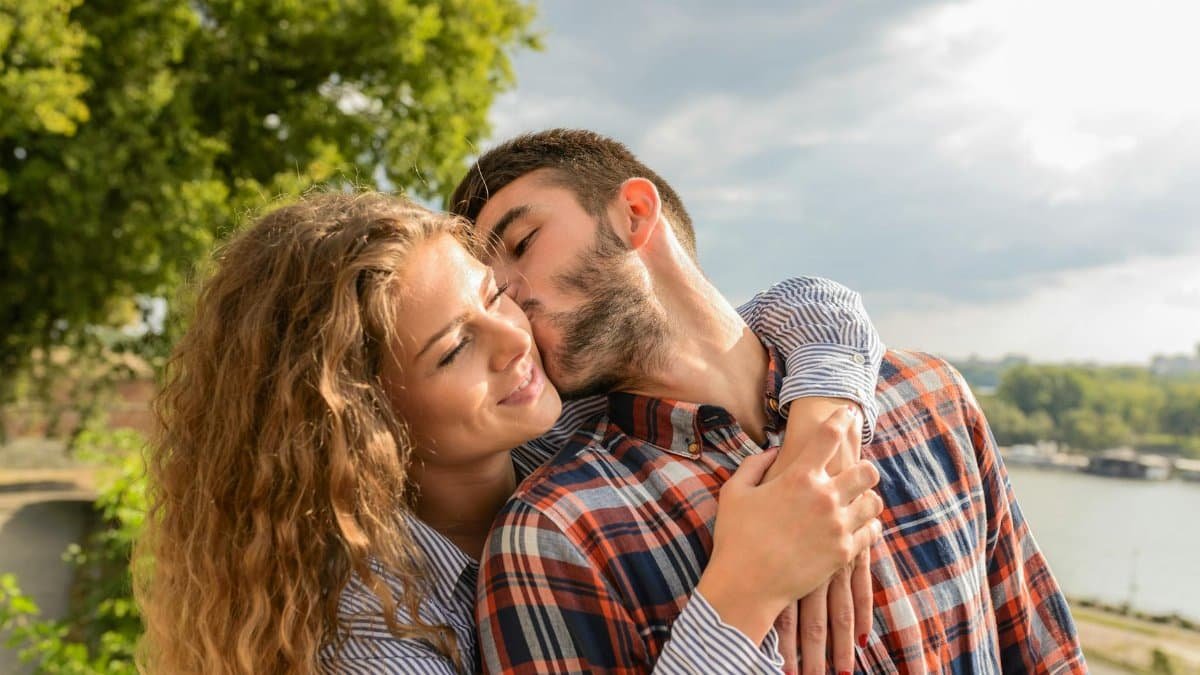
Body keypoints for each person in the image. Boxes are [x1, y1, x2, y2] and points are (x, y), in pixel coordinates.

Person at [134, 191, 887, 674]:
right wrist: (741, 593)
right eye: (455, 348)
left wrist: (823, 433)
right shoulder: (367, 640)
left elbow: (800, 308)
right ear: (363, 420)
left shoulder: (566, 423)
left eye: (496, 293)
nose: (514, 339)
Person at [450, 129, 1088, 674]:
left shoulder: (932, 398)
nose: (509, 294)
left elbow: (1047, 656)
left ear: (635, 215)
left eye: (523, 242)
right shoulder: (553, 533)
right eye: (490, 289)